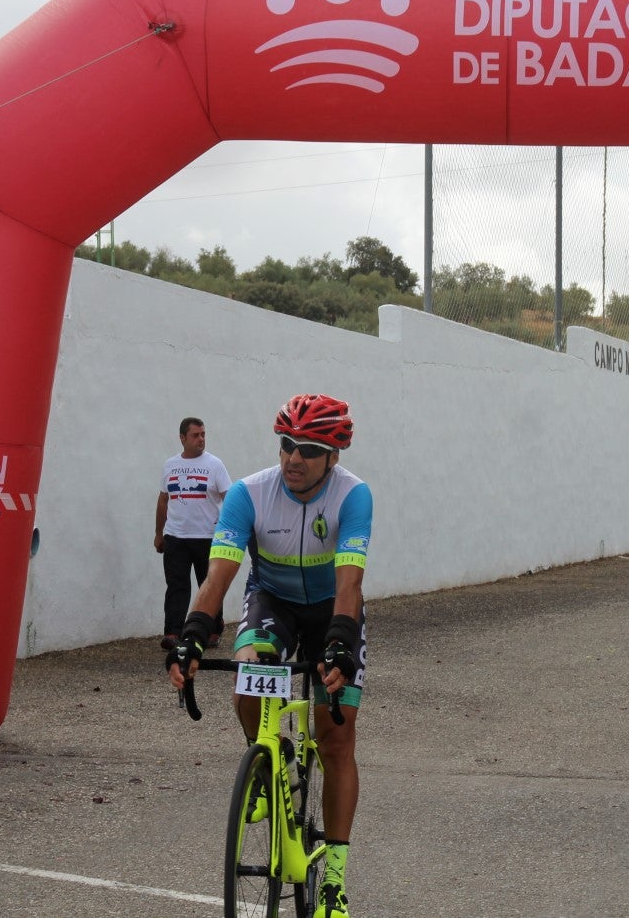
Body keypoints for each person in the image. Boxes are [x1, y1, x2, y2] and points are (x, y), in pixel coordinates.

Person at [167, 393, 372, 918]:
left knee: (336, 733)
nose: (293, 459)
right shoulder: (247, 494)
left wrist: (341, 645)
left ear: (333, 456)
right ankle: (267, 761)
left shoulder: (353, 497)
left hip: (332, 610)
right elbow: (218, 577)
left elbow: (350, 583)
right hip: (273, 602)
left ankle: (334, 882)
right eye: (286, 445)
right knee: (249, 672)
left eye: (308, 449)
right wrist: (192, 632)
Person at [155, 417, 233, 650]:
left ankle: (212, 629)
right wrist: (159, 533)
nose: (201, 439)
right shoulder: (170, 465)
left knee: (209, 584)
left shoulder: (215, 465)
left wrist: (225, 525)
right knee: (177, 586)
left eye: (203, 434)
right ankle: (173, 632)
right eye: (195, 435)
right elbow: (163, 500)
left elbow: (229, 497)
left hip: (207, 537)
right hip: (176, 537)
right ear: (182, 438)